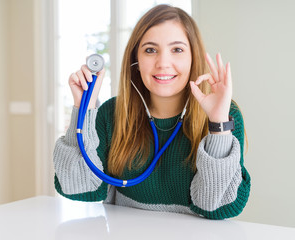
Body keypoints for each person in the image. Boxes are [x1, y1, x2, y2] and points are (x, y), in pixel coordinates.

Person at [53, 4, 250, 220]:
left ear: (193, 57)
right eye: (150, 50)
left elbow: (217, 207)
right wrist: (84, 110)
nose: (163, 63)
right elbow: (79, 189)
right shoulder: (111, 114)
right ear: (136, 61)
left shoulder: (225, 115)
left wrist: (218, 124)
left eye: (177, 50)